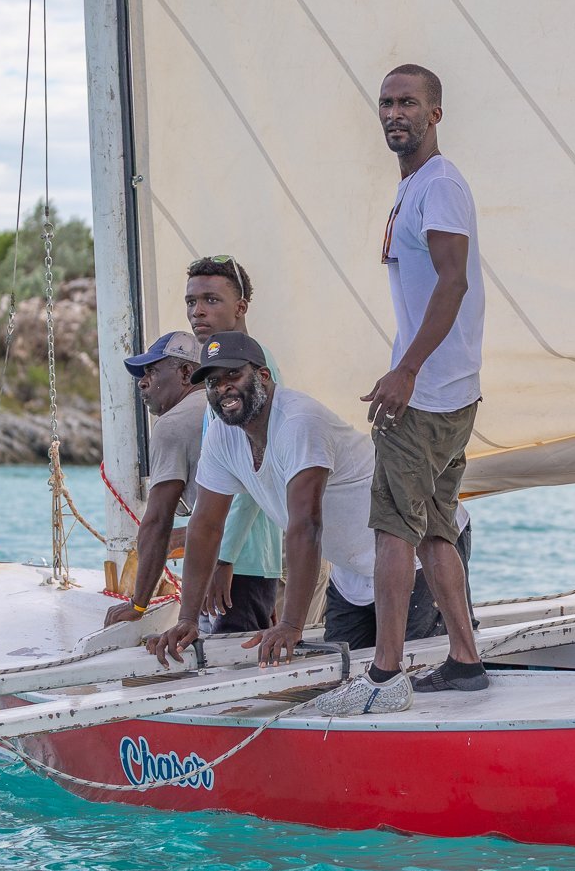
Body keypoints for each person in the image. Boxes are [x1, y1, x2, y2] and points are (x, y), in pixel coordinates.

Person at [145, 333, 470, 703]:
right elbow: (205, 526)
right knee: (342, 686)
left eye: (232, 375)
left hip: (415, 557)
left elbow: (306, 525)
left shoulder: (298, 420)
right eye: (213, 382)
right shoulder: (222, 432)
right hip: (350, 573)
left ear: (263, 376)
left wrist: (291, 624)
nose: (223, 389)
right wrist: (187, 618)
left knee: (419, 687)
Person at [354, 62, 486, 710]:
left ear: (435, 113)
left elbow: (452, 280)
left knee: (392, 531)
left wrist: (406, 369)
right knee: (435, 530)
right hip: (450, 389)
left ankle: (384, 673)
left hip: (426, 392)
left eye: (408, 103)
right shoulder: (418, 187)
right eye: (386, 103)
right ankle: (464, 659)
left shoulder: (439, 186)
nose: (394, 114)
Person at [183, 254, 283, 634]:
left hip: (244, 560)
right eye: (191, 302)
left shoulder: (254, 369)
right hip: (236, 556)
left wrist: (223, 559)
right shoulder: (220, 371)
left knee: (237, 675)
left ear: (240, 307)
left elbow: (256, 467)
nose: (198, 312)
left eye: (211, 300)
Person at [103, 330, 206, 627]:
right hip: (289, 559)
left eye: (152, 370)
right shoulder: (224, 407)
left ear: (186, 372)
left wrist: (137, 603)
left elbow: (158, 520)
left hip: (238, 569)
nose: (142, 381)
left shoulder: (172, 424)